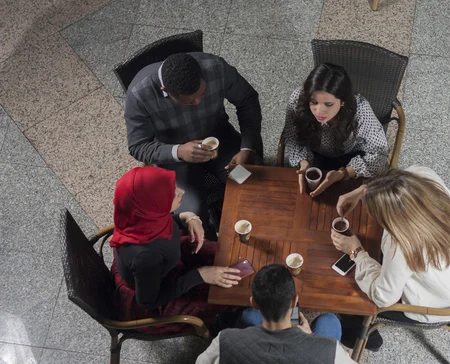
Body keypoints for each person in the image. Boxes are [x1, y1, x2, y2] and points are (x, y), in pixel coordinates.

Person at [331, 165, 450, 351]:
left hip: (437, 304)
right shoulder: (426, 178)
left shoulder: (401, 246)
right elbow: (400, 181)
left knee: (347, 296)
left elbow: (384, 296)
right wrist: (364, 190)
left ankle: (367, 340)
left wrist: (356, 251)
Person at [125, 52, 263, 236]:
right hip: (174, 160)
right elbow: (138, 146)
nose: (198, 102)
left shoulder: (216, 67)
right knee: (193, 220)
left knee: (250, 186)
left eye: (202, 94)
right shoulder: (138, 96)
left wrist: (247, 148)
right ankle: (211, 248)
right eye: (189, 102)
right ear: (166, 90)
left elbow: (247, 99)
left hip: (220, 140)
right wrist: (179, 151)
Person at [195, 264, 367, 364]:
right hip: (314, 356)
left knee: (248, 317)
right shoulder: (329, 351)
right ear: (294, 302)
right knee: (329, 321)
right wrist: (311, 338)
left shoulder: (227, 340)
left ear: (254, 302)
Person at [110, 166, 242, 334]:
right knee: (227, 293)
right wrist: (200, 275)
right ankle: (220, 325)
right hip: (158, 291)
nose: (182, 191)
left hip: (163, 267)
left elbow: (166, 220)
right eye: (171, 193)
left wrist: (187, 217)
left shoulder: (140, 213)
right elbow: (148, 302)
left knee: (229, 257)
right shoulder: (146, 256)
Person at [283, 63, 388, 197]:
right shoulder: (297, 99)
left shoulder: (361, 110)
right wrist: (303, 163)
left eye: (328, 104)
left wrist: (344, 173)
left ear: (342, 101)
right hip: (314, 155)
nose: (319, 111)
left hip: (350, 158)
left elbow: (380, 153)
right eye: (313, 102)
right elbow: (291, 137)